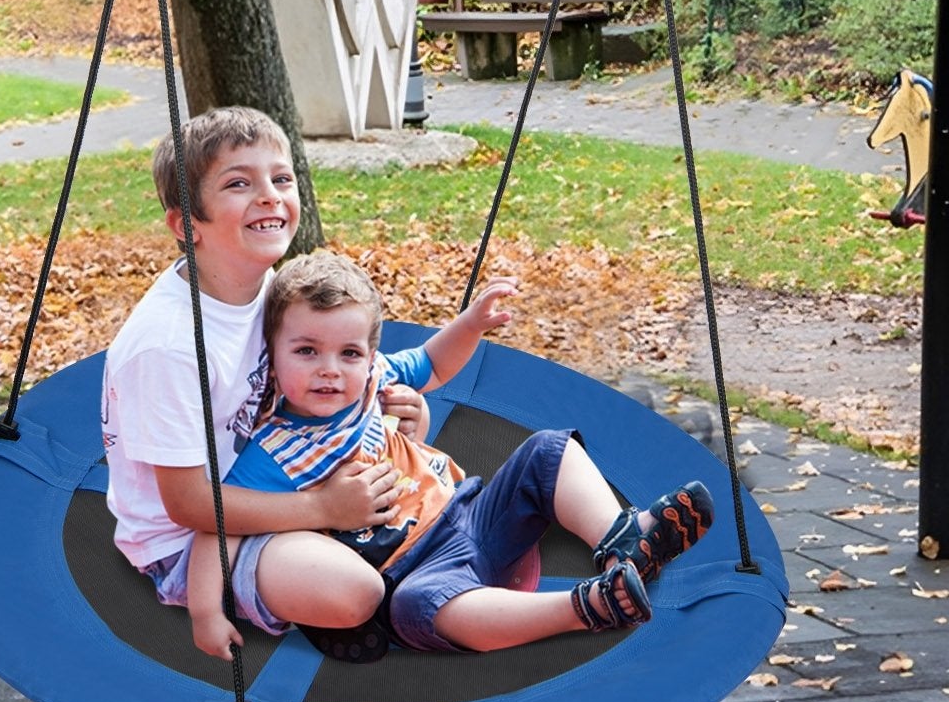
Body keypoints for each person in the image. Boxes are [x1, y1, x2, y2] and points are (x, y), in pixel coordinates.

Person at [187, 249, 715, 660]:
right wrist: (205, 613)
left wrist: (470, 324)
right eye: (306, 351)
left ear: (369, 356)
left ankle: (624, 537)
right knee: (420, 610)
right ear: (271, 359)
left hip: (474, 512)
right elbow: (218, 526)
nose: (330, 369)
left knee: (548, 449)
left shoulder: (373, 380)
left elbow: (432, 364)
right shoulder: (274, 449)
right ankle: (583, 607)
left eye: (348, 353)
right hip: (416, 571)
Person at [101, 107, 429, 641]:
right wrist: (322, 507)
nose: (270, 196)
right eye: (239, 184)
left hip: (278, 474)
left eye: (280, 179)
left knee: (431, 497)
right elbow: (190, 506)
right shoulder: (168, 347)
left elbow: (317, 377)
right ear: (188, 226)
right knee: (355, 592)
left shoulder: (263, 283)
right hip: (189, 542)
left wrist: (388, 410)